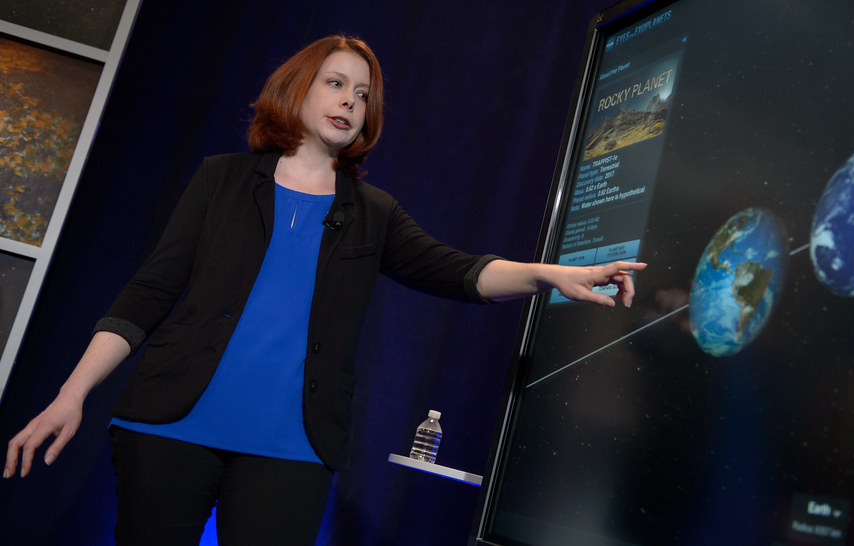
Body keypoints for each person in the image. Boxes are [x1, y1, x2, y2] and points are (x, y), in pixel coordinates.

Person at [4, 36, 646, 545]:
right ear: (298, 88)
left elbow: (459, 271)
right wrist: (71, 395)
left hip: (293, 447)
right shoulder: (222, 179)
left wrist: (548, 274)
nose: (349, 102)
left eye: (362, 94)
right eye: (335, 83)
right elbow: (149, 291)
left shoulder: (373, 211)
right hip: (171, 429)